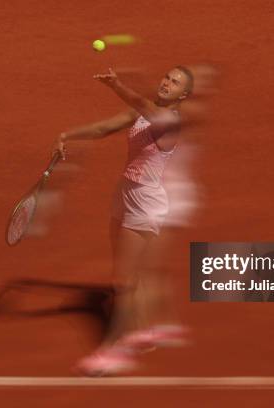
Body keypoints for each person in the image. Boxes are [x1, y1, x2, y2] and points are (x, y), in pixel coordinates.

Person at [52, 66, 194, 376]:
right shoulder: (146, 112)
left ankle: (116, 350)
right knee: (129, 272)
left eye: (175, 83)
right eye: (167, 77)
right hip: (125, 193)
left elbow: (142, 106)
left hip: (145, 203)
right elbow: (105, 128)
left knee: (124, 283)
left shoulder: (168, 119)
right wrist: (68, 135)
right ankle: (143, 332)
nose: (167, 83)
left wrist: (115, 84)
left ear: (183, 95)